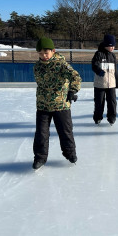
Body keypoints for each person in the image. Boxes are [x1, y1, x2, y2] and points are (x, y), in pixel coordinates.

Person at [33, 37, 82, 170]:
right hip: (43, 105)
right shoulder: (37, 67)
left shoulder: (61, 64)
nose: (44, 56)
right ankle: (40, 158)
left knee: (65, 131)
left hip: (61, 105)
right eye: (40, 53)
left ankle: (70, 153)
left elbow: (75, 76)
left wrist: (72, 90)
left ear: (53, 51)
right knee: (41, 134)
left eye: (46, 53)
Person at [91, 34, 118, 125]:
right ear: (106, 45)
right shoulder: (98, 54)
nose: (112, 48)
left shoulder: (113, 56)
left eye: (114, 46)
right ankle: (98, 117)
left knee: (112, 102)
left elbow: (115, 70)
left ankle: (112, 117)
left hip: (111, 84)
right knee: (99, 102)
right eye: (111, 46)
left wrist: (116, 82)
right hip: (100, 83)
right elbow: (94, 65)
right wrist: (99, 71)